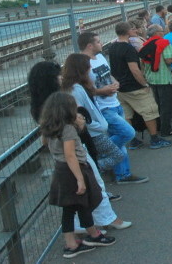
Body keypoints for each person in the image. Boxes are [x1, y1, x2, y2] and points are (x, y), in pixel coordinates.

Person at [27, 62, 131, 234]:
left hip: (62, 155)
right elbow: (69, 129)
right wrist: (78, 122)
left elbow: (47, 136)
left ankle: (87, 226)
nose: (61, 78)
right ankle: (106, 220)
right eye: (57, 75)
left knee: (79, 193)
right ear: (49, 79)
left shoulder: (40, 104)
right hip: (74, 151)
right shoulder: (59, 102)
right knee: (94, 184)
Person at [41, 92, 116, 258]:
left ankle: (74, 241)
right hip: (73, 170)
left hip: (61, 170)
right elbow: (70, 155)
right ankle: (91, 236)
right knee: (83, 203)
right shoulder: (67, 129)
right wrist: (80, 179)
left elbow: (47, 144)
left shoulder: (50, 128)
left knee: (71, 208)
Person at [78, 32, 147, 185]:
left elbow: (109, 75)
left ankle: (122, 174)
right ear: (90, 45)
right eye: (97, 41)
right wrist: (102, 91)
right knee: (127, 132)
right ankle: (100, 156)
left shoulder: (101, 57)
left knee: (121, 140)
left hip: (114, 103)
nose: (101, 43)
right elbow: (82, 89)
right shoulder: (82, 63)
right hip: (103, 107)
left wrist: (115, 83)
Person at [109, 21, 172, 150]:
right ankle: (154, 139)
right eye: (133, 29)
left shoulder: (113, 47)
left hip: (120, 87)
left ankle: (133, 140)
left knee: (127, 114)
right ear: (127, 32)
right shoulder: (129, 48)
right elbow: (134, 69)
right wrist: (144, 83)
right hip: (134, 86)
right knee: (149, 111)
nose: (136, 31)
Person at [60, 53, 125, 176]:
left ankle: (92, 170)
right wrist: (99, 125)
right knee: (116, 155)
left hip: (94, 131)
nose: (91, 70)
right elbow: (80, 113)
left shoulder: (79, 87)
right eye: (89, 67)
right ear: (82, 70)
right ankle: (90, 169)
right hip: (93, 132)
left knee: (100, 155)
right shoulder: (76, 90)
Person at [140, 24, 172, 137]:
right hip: (164, 79)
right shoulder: (164, 43)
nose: (164, 32)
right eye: (162, 30)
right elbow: (168, 61)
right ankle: (166, 130)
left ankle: (158, 127)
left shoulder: (145, 44)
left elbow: (142, 61)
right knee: (166, 106)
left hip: (151, 79)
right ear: (157, 33)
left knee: (157, 105)